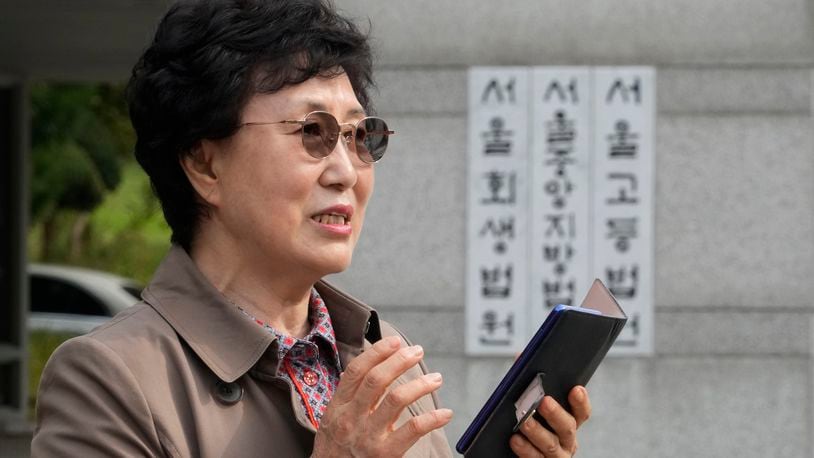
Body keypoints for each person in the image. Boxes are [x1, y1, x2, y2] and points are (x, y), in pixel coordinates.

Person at [31, 1, 591, 456]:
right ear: (204, 164)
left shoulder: (380, 350)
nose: (347, 171)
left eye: (358, 135)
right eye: (312, 131)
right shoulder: (110, 378)